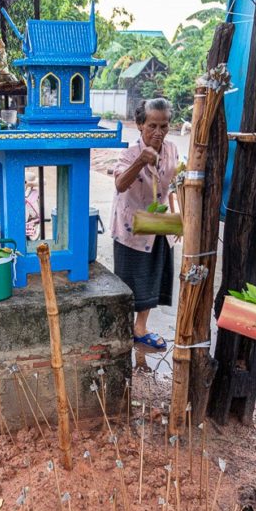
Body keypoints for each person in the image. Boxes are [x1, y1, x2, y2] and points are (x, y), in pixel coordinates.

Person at [110, 97, 179, 350]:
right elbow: (119, 184)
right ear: (140, 124)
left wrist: (176, 215)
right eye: (152, 126)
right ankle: (122, 330)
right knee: (129, 282)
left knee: (152, 278)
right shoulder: (130, 153)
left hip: (159, 226)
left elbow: (171, 184)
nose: (158, 132)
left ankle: (140, 328)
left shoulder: (171, 150)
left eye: (164, 126)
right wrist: (141, 160)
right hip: (131, 227)